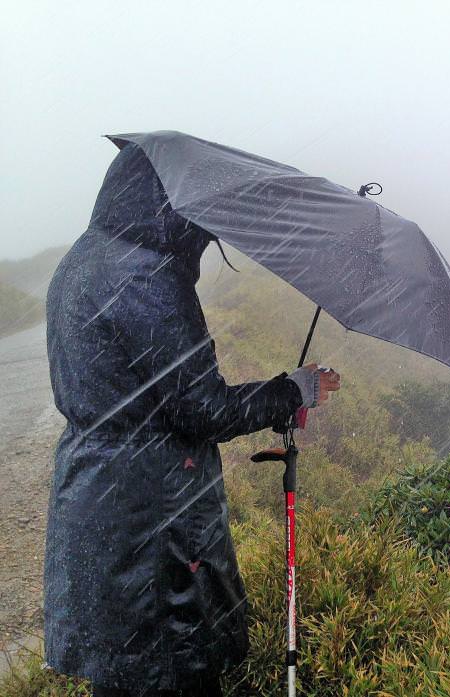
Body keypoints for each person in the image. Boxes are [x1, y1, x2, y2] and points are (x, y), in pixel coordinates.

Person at [43, 142, 340, 696]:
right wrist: (291, 391)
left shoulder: (82, 261)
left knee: (123, 668)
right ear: (166, 203)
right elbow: (204, 410)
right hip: (154, 513)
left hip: (95, 499)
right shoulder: (149, 280)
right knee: (174, 669)